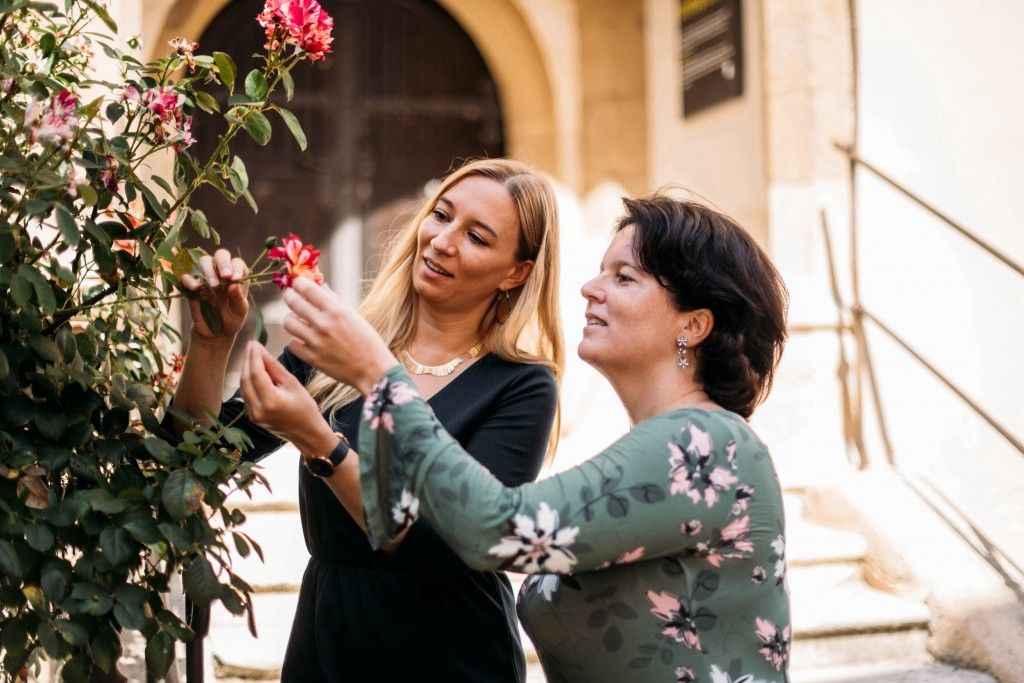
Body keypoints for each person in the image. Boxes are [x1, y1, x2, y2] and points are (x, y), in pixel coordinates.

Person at [279, 193, 792, 682]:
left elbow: (490, 527)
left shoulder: (706, 443)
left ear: (694, 325)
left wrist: (377, 376)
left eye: (624, 277)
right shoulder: (661, 445)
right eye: (601, 270)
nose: (590, 288)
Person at [171, 158, 564, 681]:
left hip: (452, 656)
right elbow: (196, 458)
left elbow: (443, 548)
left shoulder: (521, 386)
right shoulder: (336, 343)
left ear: (516, 272)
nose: (442, 240)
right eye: (441, 215)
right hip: (330, 643)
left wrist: (321, 443)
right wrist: (211, 342)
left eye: (476, 237)